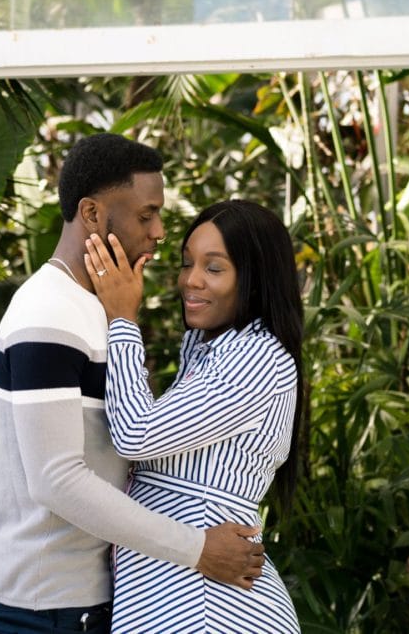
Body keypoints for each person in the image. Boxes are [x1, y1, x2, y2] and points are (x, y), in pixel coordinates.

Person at [0, 134, 266, 633]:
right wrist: (197, 550)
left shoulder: (99, 310)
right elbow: (57, 480)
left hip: (86, 597)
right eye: (145, 215)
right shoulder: (48, 313)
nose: (158, 232)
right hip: (44, 608)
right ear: (92, 214)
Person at [83, 200, 303, 631]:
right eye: (187, 263)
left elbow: (135, 434)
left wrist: (123, 319)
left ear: (254, 280)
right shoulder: (209, 349)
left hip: (208, 606)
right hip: (179, 591)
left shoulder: (255, 358)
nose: (191, 281)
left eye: (214, 268)